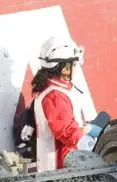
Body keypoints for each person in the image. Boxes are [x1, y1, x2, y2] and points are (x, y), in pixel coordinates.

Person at [32, 37, 92, 171]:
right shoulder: (54, 95)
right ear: (65, 69)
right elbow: (66, 130)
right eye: (74, 64)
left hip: (64, 163)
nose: (76, 68)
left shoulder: (56, 88)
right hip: (59, 169)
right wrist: (88, 142)